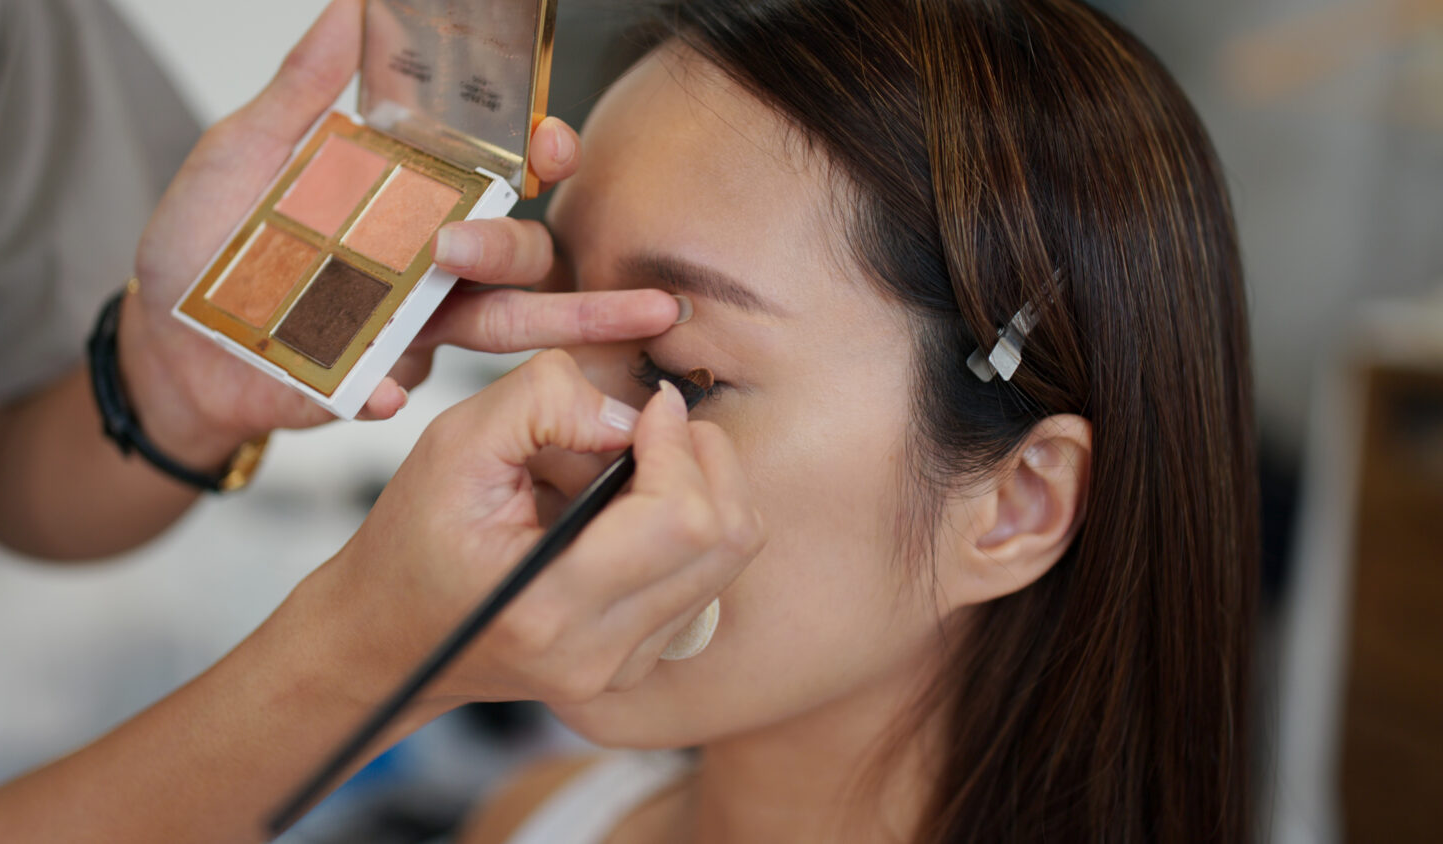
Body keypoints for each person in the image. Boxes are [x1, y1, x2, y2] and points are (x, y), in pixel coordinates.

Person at [0, 1, 734, 841]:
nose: (540, 408)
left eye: (668, 375)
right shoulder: (532, 820)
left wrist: (168, 386)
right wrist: (367, 649)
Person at [443, 0, 1260, 842]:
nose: (527, 423)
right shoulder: (530, 820)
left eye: (675, 373)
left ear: (1019, 502)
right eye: (558, 307)